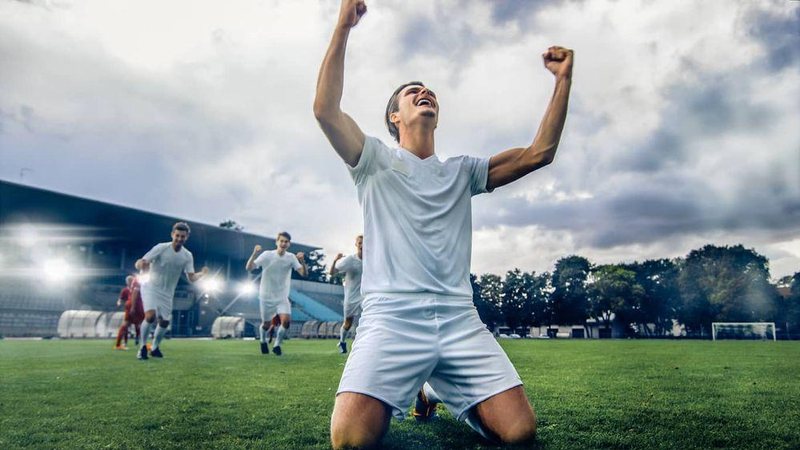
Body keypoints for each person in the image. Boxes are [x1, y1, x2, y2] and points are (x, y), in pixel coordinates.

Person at [313, 1, 573, 447]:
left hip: (458, 320)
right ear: (395, 118)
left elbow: (539, 153)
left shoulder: (462, 171)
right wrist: (343, 26)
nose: (424, 92)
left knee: (520, 433)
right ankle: (421, 382)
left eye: (428, 89)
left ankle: (432, 388)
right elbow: (325, 110)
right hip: (391, 319)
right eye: (412, 92)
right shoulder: (374, 161)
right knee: (351, 442)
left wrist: (563, 79)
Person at [134, 222, 208, 360]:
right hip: (151, 287)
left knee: (164, 322)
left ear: (187, 237)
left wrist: (202, 274)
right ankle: (142, 348)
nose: (180, 239)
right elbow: (142, 261)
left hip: (168, 292)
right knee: (150, 316)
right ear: (172, 234)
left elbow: (191, 277)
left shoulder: (187, 255)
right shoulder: (161, 248)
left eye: (183, 237)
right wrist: (140, 264)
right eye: (177, 235)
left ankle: (155, 347)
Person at [245, 231, 307, 356]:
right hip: (266, 296)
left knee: (286, 322)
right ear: (277, 242)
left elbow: (304, 274)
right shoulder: (267, 255)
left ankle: (277, 345)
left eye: (286, 241)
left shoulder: (291, 257)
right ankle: (263, 341)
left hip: (282, 297)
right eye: (282, 241)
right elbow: (249, 268)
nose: (284, 243)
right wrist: (254, 254)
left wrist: (303, 262)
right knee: (266, 325)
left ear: (289, 244)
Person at [329, 235, 363, 354]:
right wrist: (335, 260)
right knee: (348, 323)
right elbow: (332, 272)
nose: (362, 245)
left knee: (368, 318)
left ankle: (363, 344)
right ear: (356, 245)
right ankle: (342, 342)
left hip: (366, 297)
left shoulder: (372, 259)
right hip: (351, 296)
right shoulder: (350, 260)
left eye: (365, 242)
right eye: (360, 243)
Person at [113, 275, 144, 350]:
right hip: (133, 305)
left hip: (134, 305)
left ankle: (138, 339)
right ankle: (123, 343)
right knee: (128, 325)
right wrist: (120, 302)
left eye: (131, 280)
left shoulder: (137, 287)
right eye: (129, 281)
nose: (131, 282)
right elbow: (121, 298)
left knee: (137, 324)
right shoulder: (131, 289)